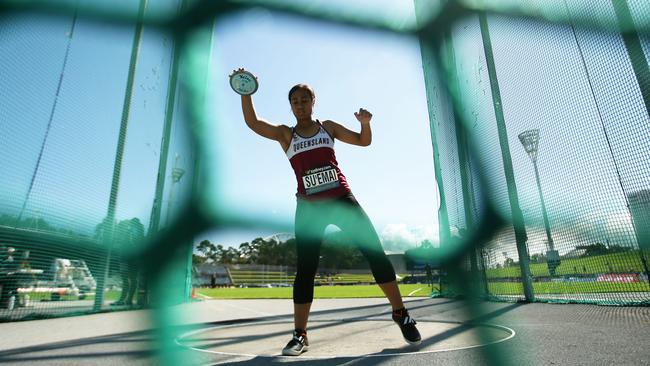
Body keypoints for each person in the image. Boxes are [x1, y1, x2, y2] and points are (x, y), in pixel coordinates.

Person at [232, 68, 421, 356]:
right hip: (309, 208)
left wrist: (366, 123)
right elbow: (253, 122)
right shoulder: (286, 134)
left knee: (376, 255)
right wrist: (246, 93)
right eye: (295, 101)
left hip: (342, 200)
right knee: (306, 270)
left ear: (313, 102)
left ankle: (400, 313)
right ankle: (300, 335)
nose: (300, 105)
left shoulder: (328, 127)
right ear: (291, 106)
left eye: (305, 99)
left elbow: (363, 141)